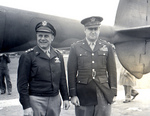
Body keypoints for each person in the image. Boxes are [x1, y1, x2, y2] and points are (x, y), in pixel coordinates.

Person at [17, 21, 70, 116]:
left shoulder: (58, 55)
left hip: (54, 99)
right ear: (36, 37)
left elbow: (62, 79)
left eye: (46, 36)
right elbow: (22, 84)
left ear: (52, 38)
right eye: (40, 36)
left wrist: (65, 98)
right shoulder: (28, 56)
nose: (43, 39)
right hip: (36, 100)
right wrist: (26, 106)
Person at [68, 16, 117, 116]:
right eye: (90, 29)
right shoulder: (76, 47)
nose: (93, 32)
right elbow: (71, 73)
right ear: (85, 30)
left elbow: (112, 71)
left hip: (103, 92)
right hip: (83, 92)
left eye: (96, 29)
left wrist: (113, 92)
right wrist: (73, 95)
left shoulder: (107, 47)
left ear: (99, 30)